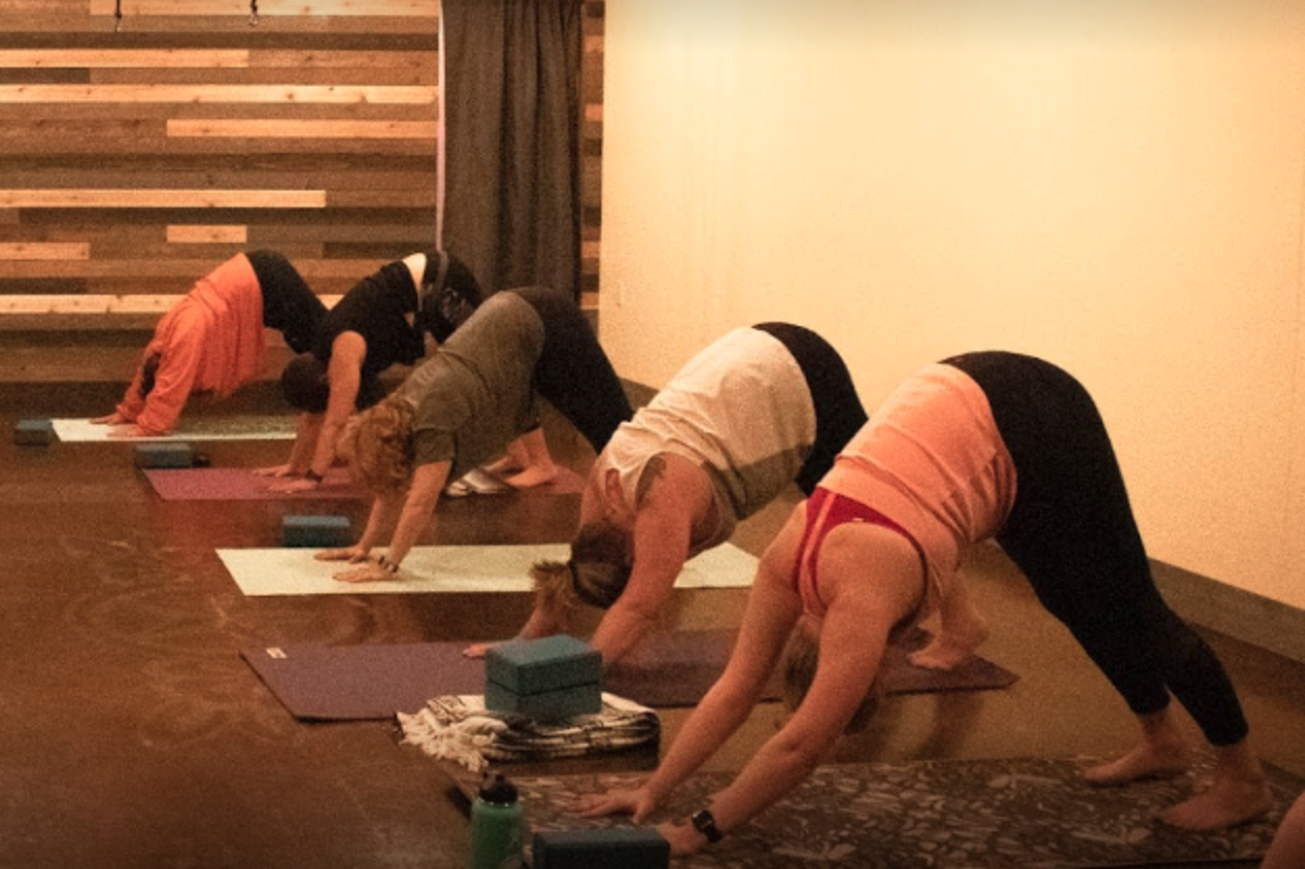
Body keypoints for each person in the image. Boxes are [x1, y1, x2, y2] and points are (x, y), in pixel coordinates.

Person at [574, 352, 1271, 854]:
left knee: (1131, 604)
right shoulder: (787, 562)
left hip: (1035, 413)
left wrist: (696, 829)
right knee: (1070, 595)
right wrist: (655, 787)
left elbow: (801, 742)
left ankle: (1243, 777)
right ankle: (1163, 740)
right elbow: (733, 688)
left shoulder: (859, 598)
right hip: (965, 404)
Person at [471, 322, 866, 668]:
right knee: (836, 517)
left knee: (862, 513)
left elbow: (638, 609)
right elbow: (569, 575)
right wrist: (518, 647)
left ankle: (923, 629)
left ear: (630, 554)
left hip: (804, 375)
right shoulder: (601, 485)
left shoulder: (661, 500)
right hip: (747, 352)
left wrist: (574, 679)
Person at [319, 286, 633, 582]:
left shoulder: (431, 421)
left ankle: (655, 532)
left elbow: (420, 501)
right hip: (524, 323)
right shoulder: (399, 412)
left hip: (549, 324)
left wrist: (389, 565)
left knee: (619, 438)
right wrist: (365, 546)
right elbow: (389, 488)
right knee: (614, 443)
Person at [256, 250, 483, 492]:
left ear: (324, 380)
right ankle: (521, 457)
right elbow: (311, 417)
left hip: (440, 281)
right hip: (428, 287)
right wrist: (294, 466)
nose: (318, 411)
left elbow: (335, 421)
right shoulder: (320, 352)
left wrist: (312, 478)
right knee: (474, 365)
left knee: (478, 365)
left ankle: (528, 462)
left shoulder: (343, 350)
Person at [92, 250, 326, 437]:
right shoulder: (164, 344)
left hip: (266, 278)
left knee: (325, 344)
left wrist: (149, 426)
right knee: (315, 344)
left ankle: (354, 402)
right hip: (257, 279)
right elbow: (146, 373)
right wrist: (129, 412)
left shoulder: (184, 336)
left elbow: (172, 383)